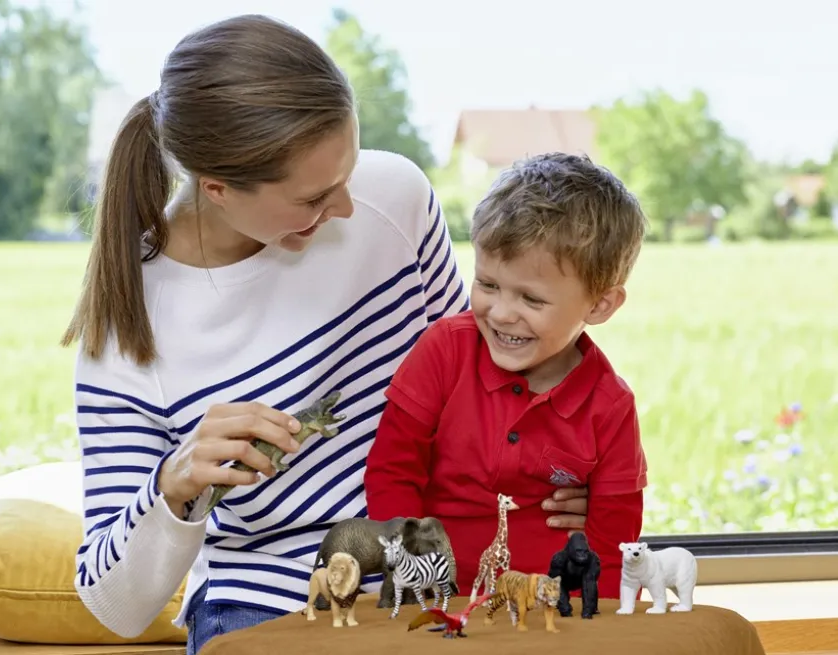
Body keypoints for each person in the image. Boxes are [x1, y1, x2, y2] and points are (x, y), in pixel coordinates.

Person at [61, 14, 589, 654]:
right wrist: (175, 484)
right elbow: (116, 606)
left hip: (438, 578)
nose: (345, 208)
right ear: (218, 189)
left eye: (348, 173)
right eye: (313, 199)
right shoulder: (128, 330)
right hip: (266, 604)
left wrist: (559, 483)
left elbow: (483, 394)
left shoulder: (395, 197)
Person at [364, 152, 649, 603]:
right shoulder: (442, 351)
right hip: (437, 599)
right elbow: (393, 472)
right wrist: (410, 574)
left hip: (548, 609)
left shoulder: (610, 406)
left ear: (599, 305)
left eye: (531, 300)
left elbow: (612, 542)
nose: (499, 313)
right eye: (488, 285)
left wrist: (601, 620)